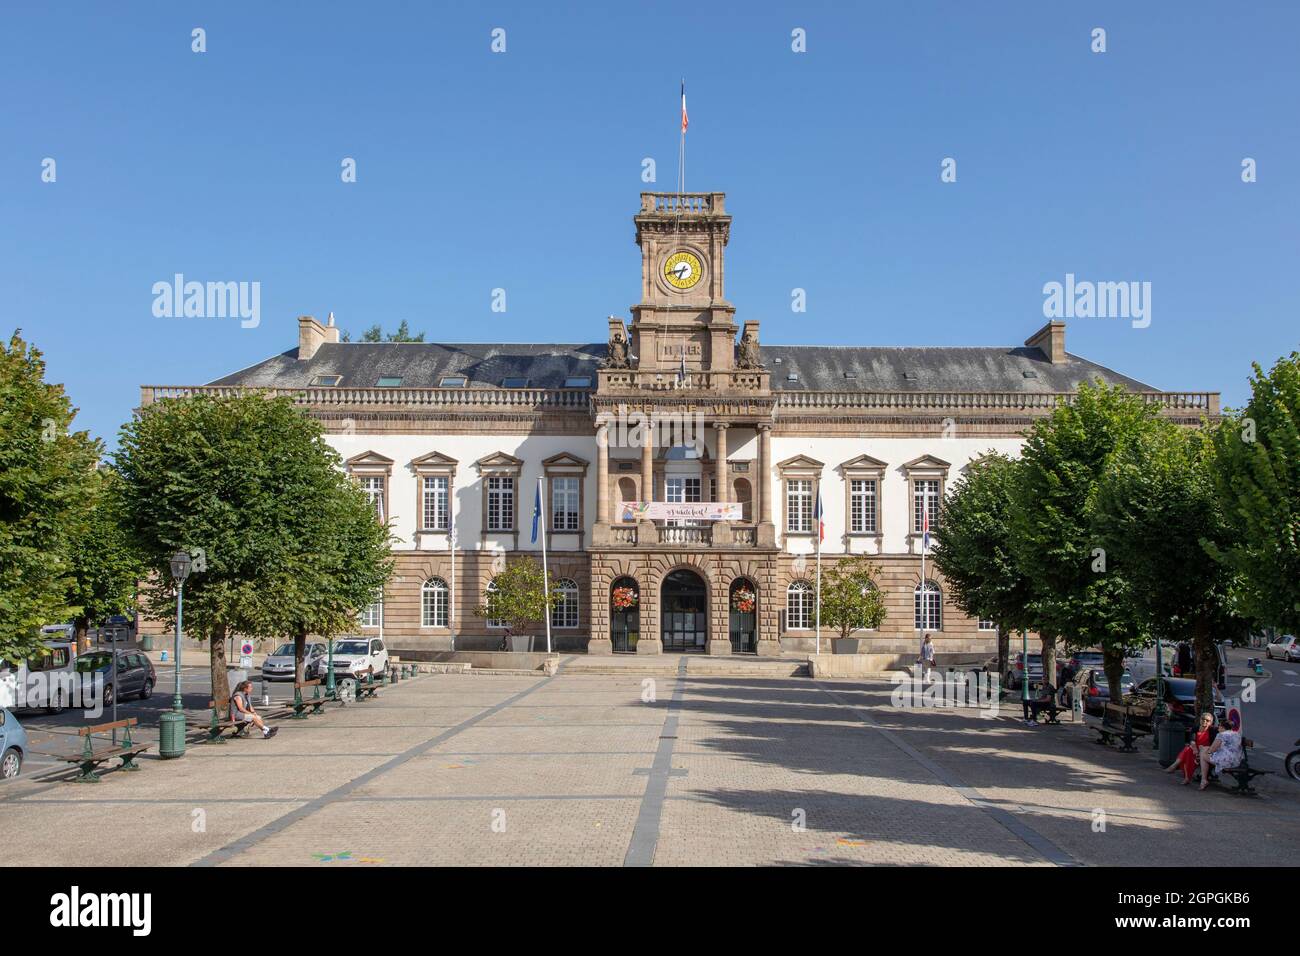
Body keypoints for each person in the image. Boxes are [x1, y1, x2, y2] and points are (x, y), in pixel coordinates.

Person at [1166, 711, 1216, 784]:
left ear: (1211, 722)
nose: (1204, 721)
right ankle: (1186, 777)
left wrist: (1202, 751)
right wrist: (1195, 749)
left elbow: (1214, 744)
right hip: (1195, 749)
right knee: (1188, 750)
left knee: (1187, 750)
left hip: (1206, 751)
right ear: (1200, 720)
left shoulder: (1213, 730)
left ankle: (1177, 768)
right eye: (1203, 719)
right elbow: (1192, 740)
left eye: (1207, 720)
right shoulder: (1195, 728)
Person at [1198, 718, 1242, 790]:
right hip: (1236, 761)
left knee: (1203, 755)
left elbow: (1212, 749)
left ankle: (1203, 780)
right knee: (1204, 749)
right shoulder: (1236, 734)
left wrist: (1204, 752)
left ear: (1222, 727)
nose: (1218, 727)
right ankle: (1203, 779)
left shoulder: (1221, 734)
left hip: (1225, 761)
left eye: (1219, 725)